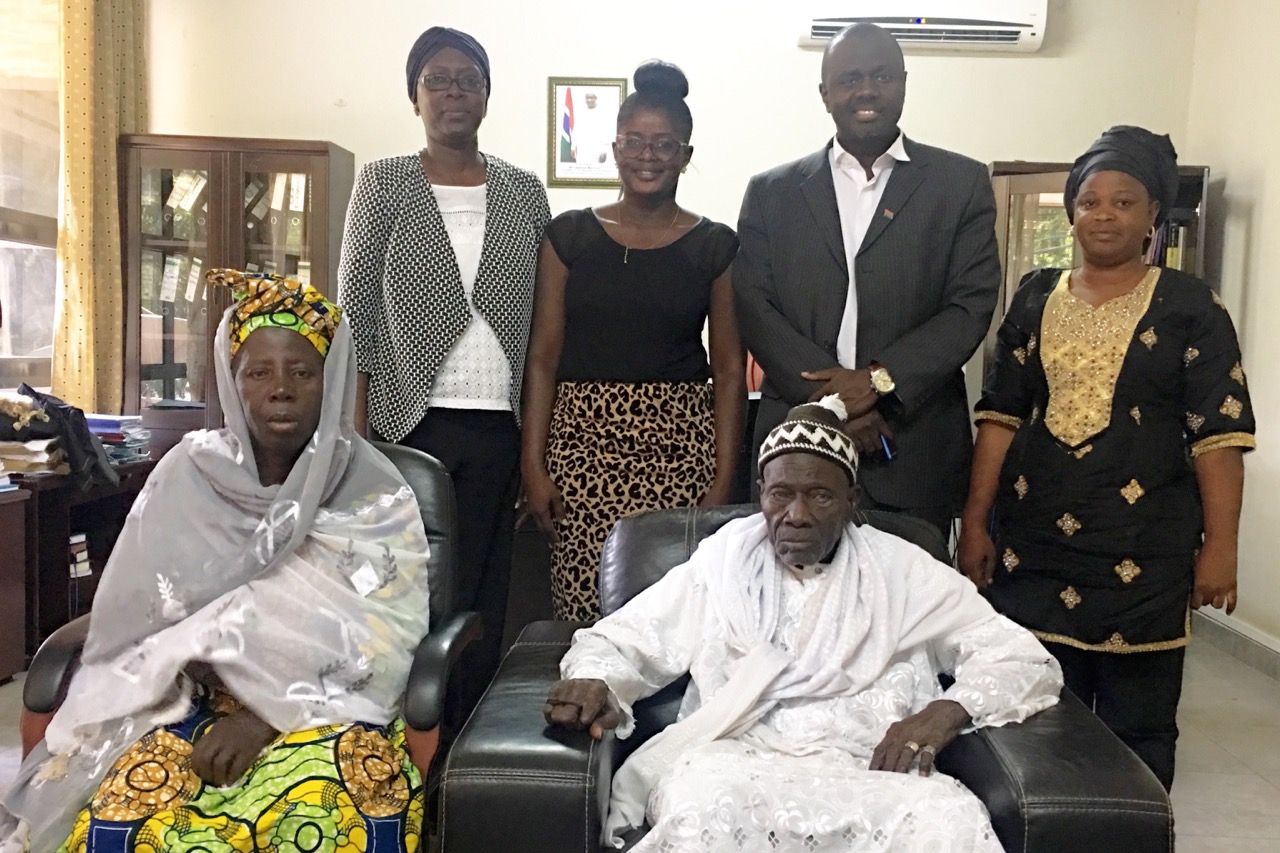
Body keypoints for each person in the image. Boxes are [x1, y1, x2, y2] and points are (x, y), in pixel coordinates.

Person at [0, 270, 432, 851]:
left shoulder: (375, 492)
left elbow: (385, 636)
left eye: (302, 373)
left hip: (332, 710)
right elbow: (141, 611)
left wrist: (265, 716)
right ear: (233, 385)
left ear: (329, 386)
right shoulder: (189, 473)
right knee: (123, 814)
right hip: (184, 696)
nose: (281, 389)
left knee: (330, 811)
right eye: (259, 373)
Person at [544, 396, 1063, 852]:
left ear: (851, 502)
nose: (796, 514)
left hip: (872, 769)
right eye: (780, 494)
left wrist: (945, 712)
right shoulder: (722, 561)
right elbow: (627, 637)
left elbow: (1019, 657)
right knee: (702, 806)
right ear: (762, 494)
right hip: (735, 759)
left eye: (819, 496)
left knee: (945, 820)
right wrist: (598, 678)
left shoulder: (905, 571)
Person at [958, 126, 1255, 791]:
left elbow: (1220, 435)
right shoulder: (1035, 295)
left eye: (1124, 201)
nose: (1104, 214)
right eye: (1090, 200)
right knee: (1024, 712)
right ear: (1071, 211)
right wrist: (976, 521)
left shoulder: (1190, 306)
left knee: (1139, 725)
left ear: (1154, 213)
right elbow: (1000, 416)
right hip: (1032, 546)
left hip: (1145, 552)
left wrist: (1223, 546)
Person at [338, 26, 550, 715]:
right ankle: (395, 730)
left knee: (485, 591)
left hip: (498, 425)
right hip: (407, 421)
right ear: (415, 96)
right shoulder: (384, 182)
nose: (454, 90)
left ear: (487, 95)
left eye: (469, 78)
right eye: (438, 78)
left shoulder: (524, 191)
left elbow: (547, 318)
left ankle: (461, 736)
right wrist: (357, 430)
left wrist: (533, 445)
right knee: (404, 586)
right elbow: (357, 312)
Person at [733, 23, 1001, 538]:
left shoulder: (960, 183)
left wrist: (878, 382)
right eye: (850, 78)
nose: (866, 90)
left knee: (910, 611)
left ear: (903, 82)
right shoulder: (772, 191)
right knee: (792, 606)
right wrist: (835, 404)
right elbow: (754, 307)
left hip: (912, 443)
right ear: (825, 92)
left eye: (881, 76)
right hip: (795, 442)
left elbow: (970, 306)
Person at [523, 60, 744, 622]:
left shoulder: (714, 246)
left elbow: (729, 372)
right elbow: (544, 359)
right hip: (580, 453)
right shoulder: (568, 235)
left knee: (674, 619)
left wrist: (722, 479)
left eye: (665, 145)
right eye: (636, 142)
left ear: (686, 155)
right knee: (583, 614)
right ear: (615, 147)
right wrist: (533, 465)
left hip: (680, 451)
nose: (648, 156)